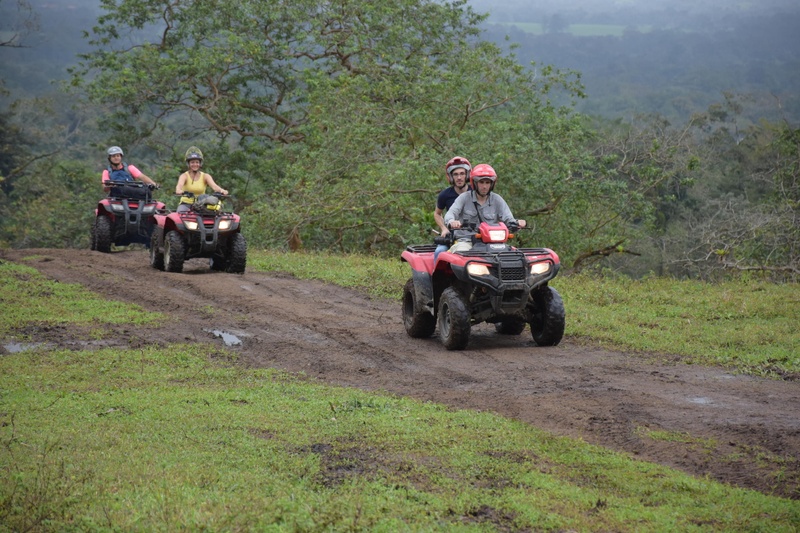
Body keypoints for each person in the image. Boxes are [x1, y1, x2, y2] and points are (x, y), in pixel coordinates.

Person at [444, 163, 526, 243]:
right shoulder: (464, 198)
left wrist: (518, 223)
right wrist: (452, 221)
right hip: (466, 241)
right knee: (461, 251)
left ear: (492, 184)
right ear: (475, 183)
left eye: (487, 183)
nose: (484, 186)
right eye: (481, 182)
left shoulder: (497, 200)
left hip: (492, 242)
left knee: (511, 254)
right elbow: (450, 213)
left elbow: (509, 219)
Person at [433, 156, 471, 263]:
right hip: (454, 236)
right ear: (450, 177)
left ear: (467, 175)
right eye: (455, 174)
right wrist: (444, 228)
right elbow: (437, 214)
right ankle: (437, 279)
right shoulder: (445, 195)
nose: (459, 177)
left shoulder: (475, 193)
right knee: (439, 251)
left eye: (462, 174)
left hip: (474, 235)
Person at [175, 146, 228, 212]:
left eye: (197, 162)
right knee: (179, 216)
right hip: (186, 204)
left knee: (214, 215)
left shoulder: (205, 176)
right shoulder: (184, 176)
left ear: (200, 164)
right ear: (188, 164)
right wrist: (179, 190)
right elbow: (179, 186)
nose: (195, 164)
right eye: (192, 162)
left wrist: (222, 191)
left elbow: (214, 186)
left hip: (201, 205)